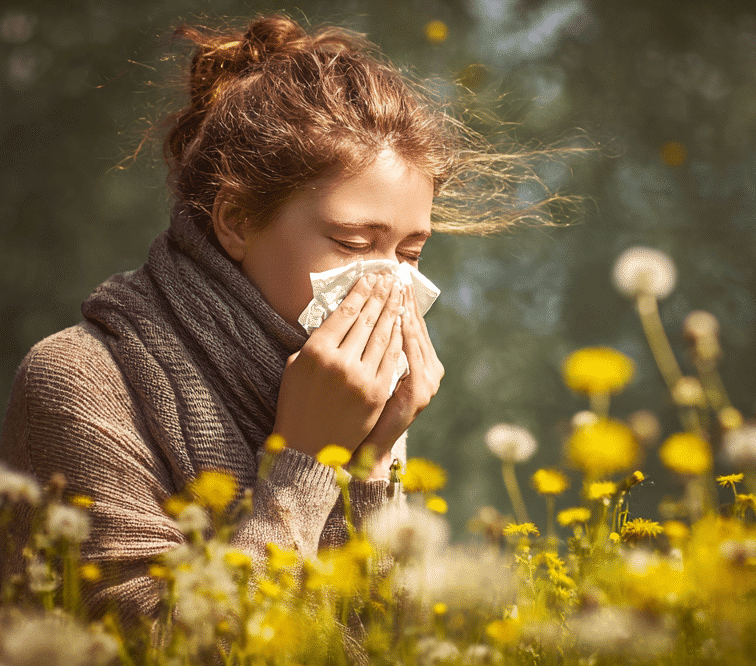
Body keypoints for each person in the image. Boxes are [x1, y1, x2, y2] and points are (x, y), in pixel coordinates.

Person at [0, 14, 567, 633]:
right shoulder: (83, 382)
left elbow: (377, 643)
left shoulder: (352, 389)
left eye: (409, 254)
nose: (388, 283)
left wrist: (372, 466)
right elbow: (160, 646)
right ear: (238, 220)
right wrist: (306, 460)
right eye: (353, 241)